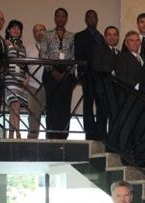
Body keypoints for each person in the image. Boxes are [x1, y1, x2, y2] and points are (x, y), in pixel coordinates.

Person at [40, 8, 76, 139]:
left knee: (65, 106)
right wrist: (52, 70)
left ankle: (63, 136)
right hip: (51, 73)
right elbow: (43, 54)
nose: (60, 19)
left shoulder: (72, 36)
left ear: (66, 19)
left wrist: (66, 72)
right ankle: (51, 135)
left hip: (67, 74)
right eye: (58, 16)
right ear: (55, 18)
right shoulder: (46, 35)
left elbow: (74, 56)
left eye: (63, 16)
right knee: (51, 106)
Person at [74, 10, 104, 140]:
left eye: (94, 17)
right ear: (86, 19)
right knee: (88, 104)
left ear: (97, 19)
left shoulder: (101, 37)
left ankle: (100, 131)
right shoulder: (79, 36)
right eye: (89, 17)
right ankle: (90, 132)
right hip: (88, 75)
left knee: (101, 104)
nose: (92, 19)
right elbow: (79, 56)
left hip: (101, 77)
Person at [92, 26, 120, 142]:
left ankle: (112, 141)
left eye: (114, 35)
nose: (112, 37)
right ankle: (101, 142)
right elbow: (95, 66)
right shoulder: (99, 50)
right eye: (109, 34)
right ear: (104, 37)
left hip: (116, 91)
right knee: (102, 117)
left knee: (114, 117)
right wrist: (111, 70)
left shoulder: (119, 52)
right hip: (103, 89)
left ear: (118, 37)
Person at [3, 20, 28, 139]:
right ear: (8, 30)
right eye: (13, 28)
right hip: (10, 76)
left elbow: (24, 64)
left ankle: (11, 133)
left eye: (18, 28)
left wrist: (26, 76)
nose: (16, 30)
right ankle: (17, 133)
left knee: (14, 107)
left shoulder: (22, 46)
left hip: (20, 78)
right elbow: (2, 60)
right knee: (15, 104)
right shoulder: (5, 43)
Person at [26, 24, 46, 139]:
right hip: (33, 86)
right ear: (33, 34)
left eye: (41, 30)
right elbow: (23, 66)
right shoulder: (28, 47)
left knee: (52, 116)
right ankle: (32, 141)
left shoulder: (51, 47)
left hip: (49, 86)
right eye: (36, 30)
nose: (39, 32)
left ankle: (51, 141)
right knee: (33, 115)